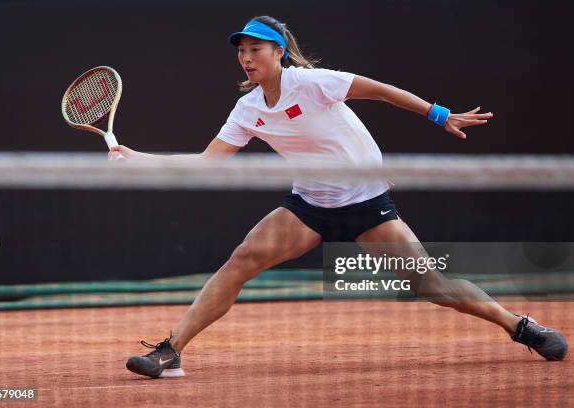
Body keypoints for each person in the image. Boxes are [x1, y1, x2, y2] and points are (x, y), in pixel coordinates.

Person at [111, 16, 568, 378]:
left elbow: (381, 91)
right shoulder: (248, 108)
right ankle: (170, 352)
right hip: (310, 204)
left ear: (279, 52)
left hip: (366, 203)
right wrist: (138, 158)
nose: (247, 58)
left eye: (256, 49)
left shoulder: (312, 83)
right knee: (241, 261)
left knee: (433, 286)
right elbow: (208, 162)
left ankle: (520, 326)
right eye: (242, 51)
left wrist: (439, 113)